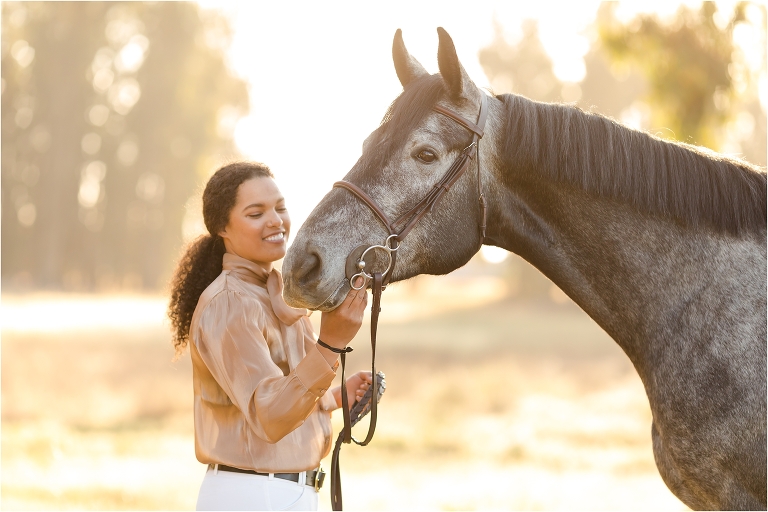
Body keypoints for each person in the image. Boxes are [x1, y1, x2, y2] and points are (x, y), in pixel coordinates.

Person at [168, 161, 371, 511]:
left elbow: (280, 389)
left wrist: (335, 397)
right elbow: (269, 415)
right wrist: (331, 344)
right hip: (253, 495)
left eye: (280, 208)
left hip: (284, 493)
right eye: (256, 213)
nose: (275, 220)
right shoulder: (230, 303)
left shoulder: (275, 295)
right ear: (222, 228)